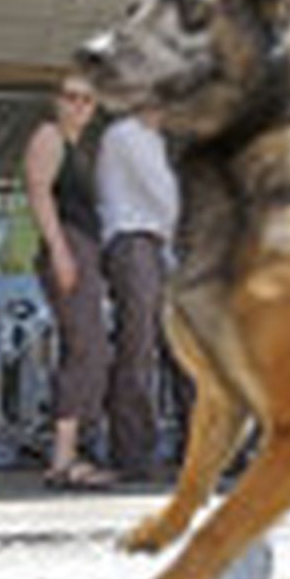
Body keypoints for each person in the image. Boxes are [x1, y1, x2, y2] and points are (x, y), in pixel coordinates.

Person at [23, 74, 115, 489]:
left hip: (83, 250)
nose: (79, 105)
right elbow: (39, 192)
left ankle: (70, 452)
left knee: (89, 348)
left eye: (87, 100)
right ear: (56, 102)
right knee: (85, 348)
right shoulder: (49, 135)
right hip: (68, 249)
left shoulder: (78, 148)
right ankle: (62, 459)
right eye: (71, 97)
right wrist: (60, 251)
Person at [96, 108, 179, 483]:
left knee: (178, 351)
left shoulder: (154, 139)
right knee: (138, 349)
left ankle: (195, 447)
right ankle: (132, 455)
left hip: (155, 247)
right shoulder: (127, 134)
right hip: (133, 243)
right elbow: (165, 197)